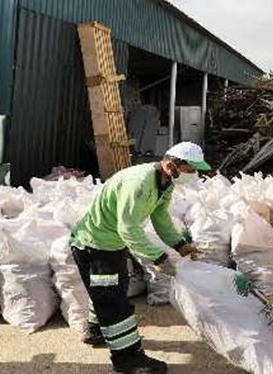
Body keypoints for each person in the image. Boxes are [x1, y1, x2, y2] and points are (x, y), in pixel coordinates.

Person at [71, 141, 208, 374]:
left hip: (110, 245)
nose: (194, 174)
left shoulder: (165, 183)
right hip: (95, 247)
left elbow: (161, 218)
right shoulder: (140, 183)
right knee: (115, 303)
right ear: (172, 165)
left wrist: (180, 245)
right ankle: (127, 360)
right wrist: (158, 258)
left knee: (111, 290)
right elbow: (128, 228)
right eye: (191, 169)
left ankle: (95, 331)